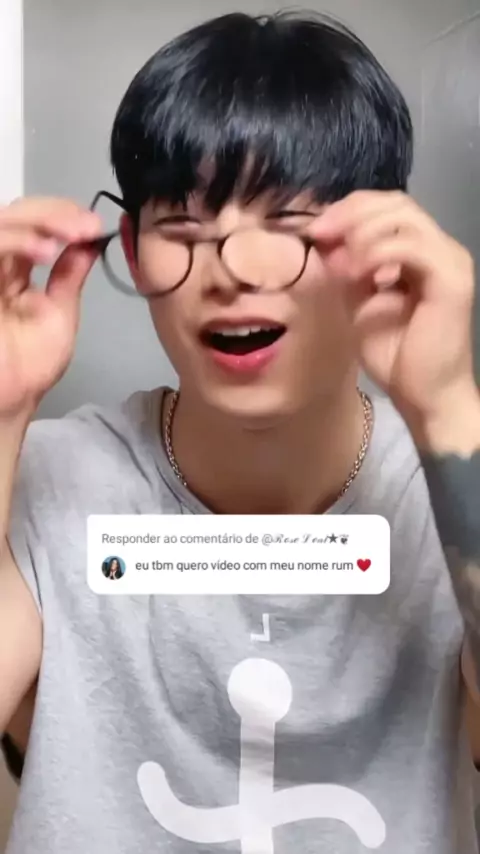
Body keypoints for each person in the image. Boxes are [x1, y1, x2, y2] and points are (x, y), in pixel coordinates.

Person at [0, 11, 479, 854]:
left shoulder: (447, 500)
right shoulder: (55, 477)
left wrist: (446, 408)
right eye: (183, 228)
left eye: (290, 223)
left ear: (383, 242)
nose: (231, 271)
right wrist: (3, 412)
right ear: (132, 250)